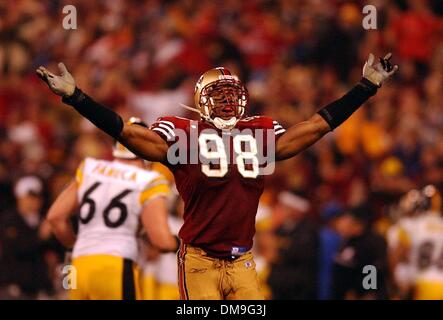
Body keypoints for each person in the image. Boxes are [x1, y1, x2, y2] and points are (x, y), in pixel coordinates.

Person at [36, 53, 397, 300]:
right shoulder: (182, 132)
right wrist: (77, 98)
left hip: (243, 260)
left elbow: (316, 127)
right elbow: (132, 136)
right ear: (199, 101)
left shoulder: (260, 133)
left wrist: (365, 87)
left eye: (231, 93)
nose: (226, 101)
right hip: (200, 260)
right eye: (217, 94)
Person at [46, 118, 178, 300]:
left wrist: (74, 245)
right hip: (115, 265)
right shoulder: (149, 181)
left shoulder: (90, 168)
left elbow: (55, 217)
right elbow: (162, 242)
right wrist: (178, 243)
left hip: (78, 265)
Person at [0, 176, 53, 299]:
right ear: (20, 197)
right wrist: (40, 237)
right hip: (14, 288)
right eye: (30, 197)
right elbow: (15, 248)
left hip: (39, 288)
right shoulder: (9, 220)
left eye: (37, 196)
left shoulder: (43, 220)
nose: (34, 201)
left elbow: (55, 253)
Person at [268, 191, 318, 300]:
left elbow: (298, 253)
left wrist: (277, 252)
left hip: (296, 289)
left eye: (286, 207)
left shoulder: (307, 230)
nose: (281, 209)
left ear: (297, 209)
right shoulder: (282, 227)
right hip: (279, 287)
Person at [331, 205, 388, 300]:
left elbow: (373, 268)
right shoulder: (349, 241)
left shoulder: (372, 243)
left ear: (358, 225)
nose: (342, 224)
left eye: (347, 221)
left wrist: (366, 292)